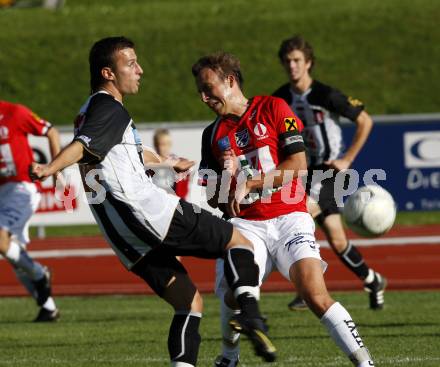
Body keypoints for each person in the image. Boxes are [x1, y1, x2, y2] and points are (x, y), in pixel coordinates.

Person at [30, 36, 275, 366]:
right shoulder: (109, 107)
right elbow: (83, 148)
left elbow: (118, 151)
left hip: (122, 236)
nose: (140, 70)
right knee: (238, 242)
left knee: (189, 303)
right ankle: (251, 314)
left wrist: (165, 161)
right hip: (149, 211)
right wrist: (48, 167)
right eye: (130, 64)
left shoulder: (89, 111)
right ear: (108, 73)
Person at [193, 52, 375, 367]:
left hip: (291, 218)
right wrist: (227, 178)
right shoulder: (211, 135)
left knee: (316, 296)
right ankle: (229, 357)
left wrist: (247, 184)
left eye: (208, 87)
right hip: (247, 226)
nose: (204, 96)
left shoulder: (274, 107)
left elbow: (298, 165)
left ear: (231, 81)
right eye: (200, 90)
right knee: (233, 295)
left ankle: (364, 362)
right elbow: (212, 196)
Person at [272, 35, 386, 311]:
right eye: (288, 61)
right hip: (302, 173)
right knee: (336, 239)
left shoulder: (326, 95)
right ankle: (372, 279)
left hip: (328, 171)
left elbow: (364, 121)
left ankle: (306, 286)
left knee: (297, 217)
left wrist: (347, 158)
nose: (292, 66)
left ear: (309, 63)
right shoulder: (280, 98)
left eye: (297, 60)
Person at [0, 100, 60, 322]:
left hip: (21, 189)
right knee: (15, 255)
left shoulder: (15, 113)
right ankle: (48, 307)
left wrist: (55, 170)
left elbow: (51, 131)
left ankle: (38, 273)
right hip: (2, 191)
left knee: (1, 240)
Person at [148, 128, 190, 199]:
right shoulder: (149, 162)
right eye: (158, 144)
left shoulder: (178, 163)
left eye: (164, 144)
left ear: (170, 144)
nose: (160, 147)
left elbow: (182, 191)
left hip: (173, 201)